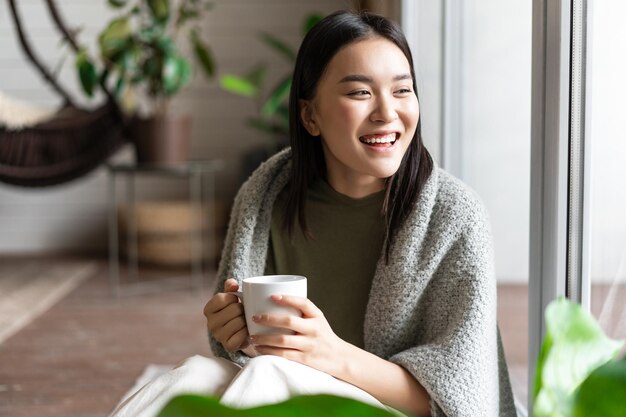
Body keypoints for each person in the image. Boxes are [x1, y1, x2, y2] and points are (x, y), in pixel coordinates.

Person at [110, 10, 517, 417]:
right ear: (310, 116)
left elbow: (463, 399)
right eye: (360, 93)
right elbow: (251, 355)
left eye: (402, 90)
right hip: (294, 392)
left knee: (267, 376)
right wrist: (235, 331)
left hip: (394, 410)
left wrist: (330, 354)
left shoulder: (455, 217)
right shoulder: (265, 197)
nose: (387, 112)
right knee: (191, 376)